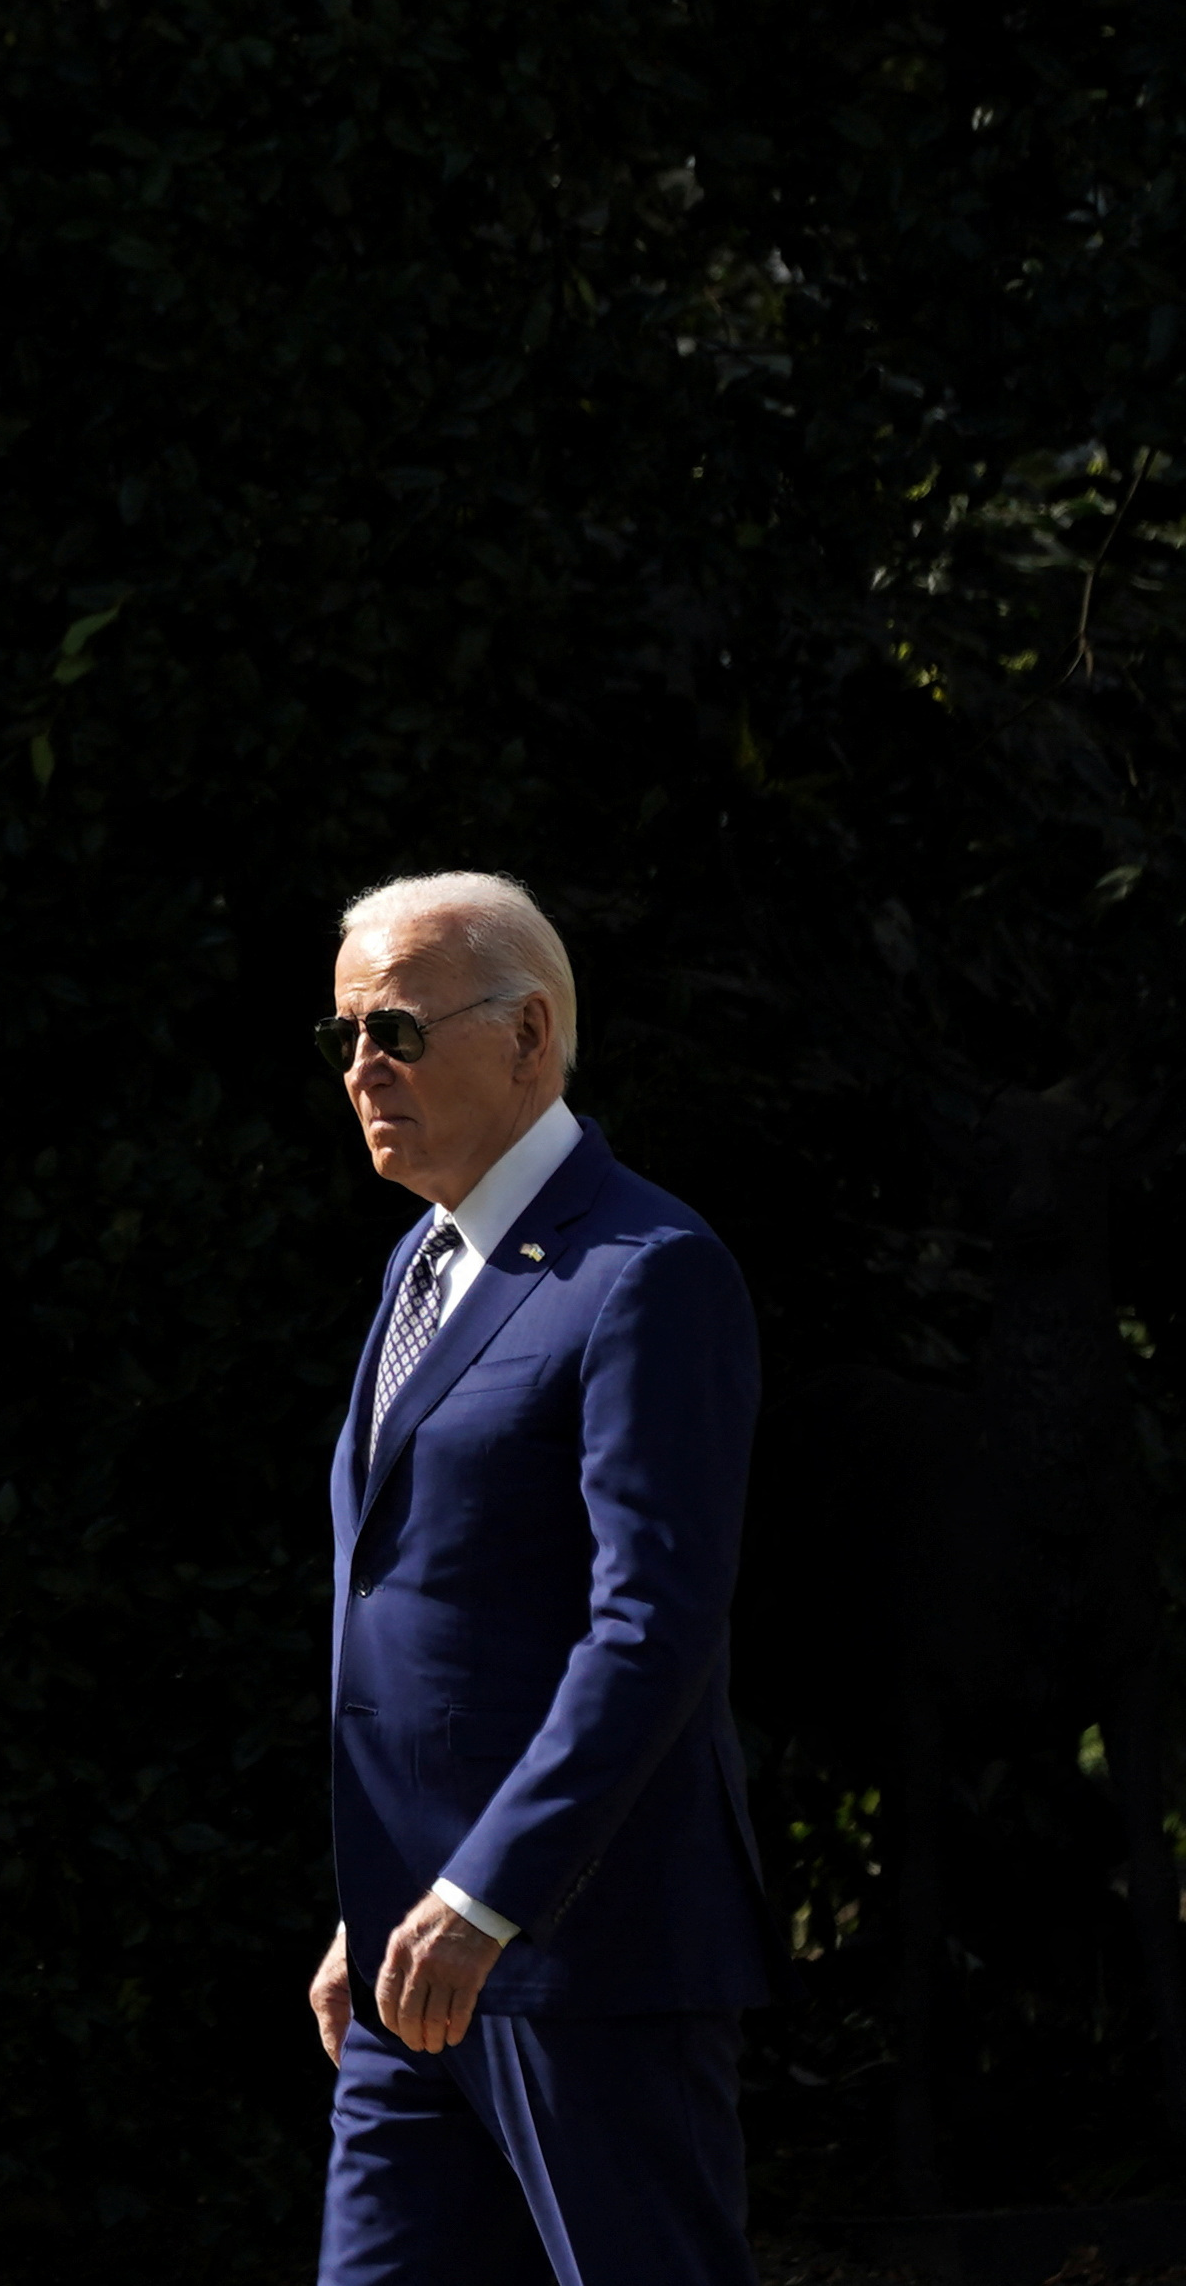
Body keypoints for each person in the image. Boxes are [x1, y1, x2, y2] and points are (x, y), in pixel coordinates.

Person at [309, 870, 779, 2286]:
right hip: (413, 1960)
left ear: (528, 1038)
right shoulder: (418, 1267)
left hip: (586, 1956)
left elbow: (652, 1624)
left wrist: (487, 1893)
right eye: (344, 1039)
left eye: (395, 1030)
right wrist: (381, 1899)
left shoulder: (646, 1271)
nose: (361, 1071)